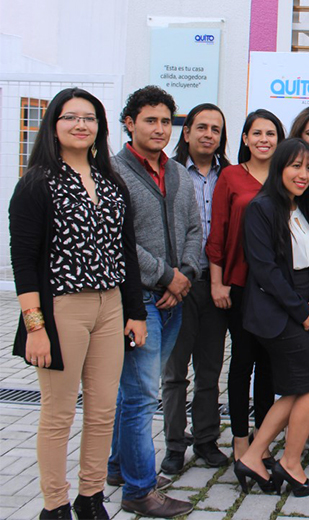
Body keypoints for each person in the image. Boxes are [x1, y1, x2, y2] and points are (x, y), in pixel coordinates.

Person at [9, 88, 147, 520]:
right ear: (53, 125)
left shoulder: (111, 182)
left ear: (99, 128)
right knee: (58, 413)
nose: (81, 125)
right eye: (70, 117)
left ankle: (91, 498)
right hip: (61, 309)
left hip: (110, 307)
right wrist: (35, 327)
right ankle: (54, 505)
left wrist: (135, 312)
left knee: (104, 408)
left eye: (89, 118)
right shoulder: (36, 184)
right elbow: (24, 262)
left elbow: (125, 252)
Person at [108, 86, 200, 518]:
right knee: (142, 395)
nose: (160, 128)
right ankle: (139, 490)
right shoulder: (112, 173)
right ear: (130, 123)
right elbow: (120, 243)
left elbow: (195, 231)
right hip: (137, 301)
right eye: (151, 120)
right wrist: (168, 276)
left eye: (166, 121)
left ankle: (118, 467)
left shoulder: (178, 172)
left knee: (136, 394)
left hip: (176, 298)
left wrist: (186, 275)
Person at [234, 138, 309, 498]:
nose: (303, 174)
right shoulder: (261, 208)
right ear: (279, 168)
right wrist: (300, 309)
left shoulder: (303, 208)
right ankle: (290, 462)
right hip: (275, 313)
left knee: (298, 387)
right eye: (295, 166)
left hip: (302, 308)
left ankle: (254, 456)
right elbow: (266, 270)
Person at [206, 109, 285, 466]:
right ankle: (239, 438)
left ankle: (263, 439)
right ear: (245, 138)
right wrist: (217, 281)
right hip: (239, 286)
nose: (264, 139)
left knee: (269, 368)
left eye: (271, 133)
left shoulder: (287, 179)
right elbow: (218, 233)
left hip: (277, 291)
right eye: (257, 133)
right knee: (242, 364)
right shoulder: (231, 177)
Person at [160, 103, 231, 475]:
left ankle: (205, 440)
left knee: (210, 370)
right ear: (186, 132)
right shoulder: (167, 173)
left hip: (215, 287)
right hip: (176, 286)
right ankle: (175, 445)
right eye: (201, 127)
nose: (208, 134)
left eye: (215, 129)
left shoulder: (230, 175)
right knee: (174, 374)